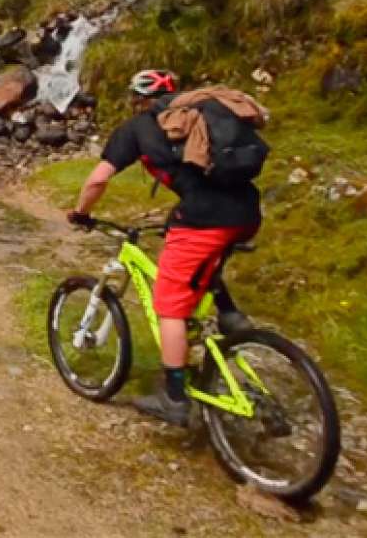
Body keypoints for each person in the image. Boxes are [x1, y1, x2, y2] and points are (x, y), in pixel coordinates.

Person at [67, 69, 260, 426]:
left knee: (169, 304)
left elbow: (98, 180)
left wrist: (80, 213)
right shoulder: (200, 114)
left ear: (138, 99)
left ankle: (174, 397)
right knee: (202, 266)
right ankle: (231, 316)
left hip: (204, 217)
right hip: (247, 211)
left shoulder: (137, 128)